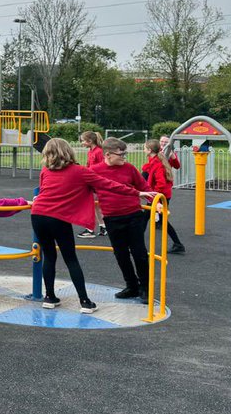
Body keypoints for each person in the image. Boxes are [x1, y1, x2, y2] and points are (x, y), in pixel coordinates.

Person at [31, 137, 154, 313]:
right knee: (71, 258)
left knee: (49, 256)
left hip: (38, 215)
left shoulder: (45, 171)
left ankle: (49, 297)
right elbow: (108, 185)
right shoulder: (80, 171)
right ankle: (84, 301)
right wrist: (137, 192)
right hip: (58, 217)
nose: (124, 156)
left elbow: (44, 191)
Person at [92, 138, 153, 301]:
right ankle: (131, 286)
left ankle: (145, 288)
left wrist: (156, 203)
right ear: (108, 155)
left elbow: (144, 187)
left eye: (125, 153)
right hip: (112, 218)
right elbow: (83, 188)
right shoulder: (95, 171)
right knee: (121, 254)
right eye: (121, 154)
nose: (125, 157)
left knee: (139, 253)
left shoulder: (129, 169)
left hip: (133, 215)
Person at [144, 138, 186, 255]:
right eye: (161, 142)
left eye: (165, 142)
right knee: (159, 220)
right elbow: (149, 171)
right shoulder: (156, 159)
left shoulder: (159, 161)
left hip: (160, 195)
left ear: (149, 150)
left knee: (144, 219)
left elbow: (161, 183)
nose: (163, 144)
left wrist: (154, 197)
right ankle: (178, 244)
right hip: (162, 194)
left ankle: (136, 245)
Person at [78, 130, 107, 238]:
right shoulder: (90, 151)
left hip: (96, 182)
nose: (82, 143)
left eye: (83, 141)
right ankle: (103, 226)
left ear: (90, 141)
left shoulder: (99, 151)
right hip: (92, 182)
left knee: (90, 204)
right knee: (96, 206)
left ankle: (90, 229)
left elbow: (102, 167)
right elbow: (89, 165)